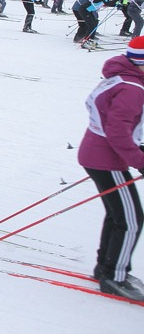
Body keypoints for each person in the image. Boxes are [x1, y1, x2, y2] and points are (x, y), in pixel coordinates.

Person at [77, 37, 144, 301]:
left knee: (119, 215)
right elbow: (117, 130)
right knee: (131, 219)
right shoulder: (132, 88)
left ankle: (105, 266)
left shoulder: (124, 77)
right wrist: (139, 160)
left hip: (99, 154)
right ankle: (114, 275)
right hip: (106, 158)